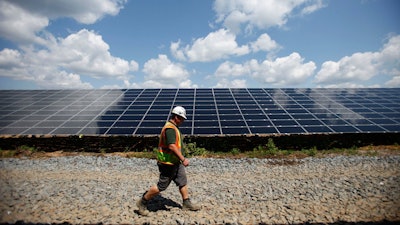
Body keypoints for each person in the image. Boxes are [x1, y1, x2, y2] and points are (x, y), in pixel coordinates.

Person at [136, 106, 200, 216]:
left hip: (175, 162)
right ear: (176, 117)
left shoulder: (174, 127)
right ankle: (142, 202)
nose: (183, 121)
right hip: (168, 163)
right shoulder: (170, 129)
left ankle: (186, 202)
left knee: (182, 181)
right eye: (182, 118)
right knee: (161, 186)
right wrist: (183, 159)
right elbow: (172, 146)